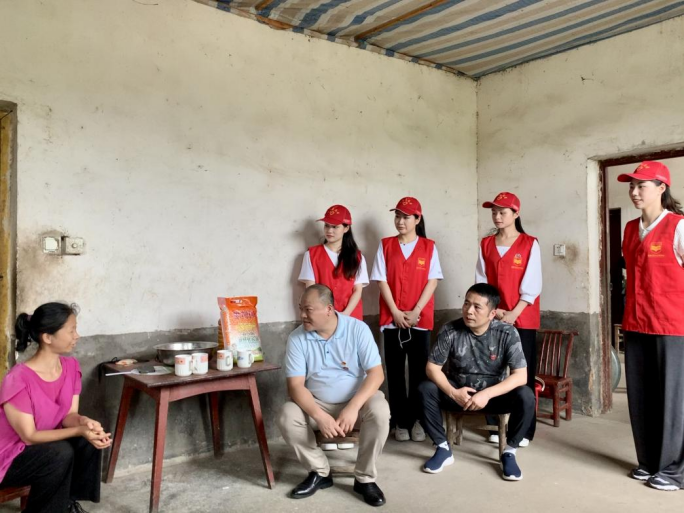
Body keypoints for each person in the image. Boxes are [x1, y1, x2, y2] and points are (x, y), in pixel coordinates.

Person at [277, 285, 389, 507]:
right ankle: (319, 471)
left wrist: (353, 407)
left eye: (308, 309)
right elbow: (295, 386)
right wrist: (319, 416)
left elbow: (376, 374)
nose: (302, 315)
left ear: (329, 309)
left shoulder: (357, 329)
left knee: (380, 410)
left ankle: (364, 478)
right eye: (301, 309)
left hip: (356, 402)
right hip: (318, 403)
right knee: (286, 415)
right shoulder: (297, 338)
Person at [0, 302, 111, 513]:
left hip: (39, 445)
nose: (77, 335)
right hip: (8, 455)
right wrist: (79, 430)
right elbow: (29, 436)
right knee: (60, 453)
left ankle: (67, 503)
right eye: (71, 330)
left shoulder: (70, 367)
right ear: (48, 337)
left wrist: (84, 422)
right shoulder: (18, 379)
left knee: (88, 439)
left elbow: (69, 415)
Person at [418, 283, 535, 481]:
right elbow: (432, 368)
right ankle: (442, 448)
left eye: (477, 307)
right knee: (425, 388)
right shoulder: (450, 330)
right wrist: (453, 392)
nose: (469, 311)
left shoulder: (507, 333)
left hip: (493, 397)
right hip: (459, 394)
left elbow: (520, 375)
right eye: (466, 303)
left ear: (492, 314)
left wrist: (486, 394)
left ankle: (509, 452)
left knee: (526, 395)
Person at [618, 160, 684, 492]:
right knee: (641, 396)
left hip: (672, 325)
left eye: (641, 185)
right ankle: (650, 461)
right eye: (631, 186)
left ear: (661, 188)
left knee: (673, 400)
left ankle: (676, 470)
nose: (634, 192)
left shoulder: (678, 226)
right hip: (636, 323)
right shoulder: (630, 229)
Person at [370, 196, 442, 443]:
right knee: (395, 373)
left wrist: (416, 311)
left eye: (406, 217)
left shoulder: (429, 247)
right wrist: (395, 312)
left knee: (420, 373)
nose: (400, 221)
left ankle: (419, 419)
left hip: (419, 320)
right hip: (392, 319)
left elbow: (432, 281)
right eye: (397, 216)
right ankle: (400, 421)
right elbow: (382, 280)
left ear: (417, 219)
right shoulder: (385, 245)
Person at [476, 191, 541, 446]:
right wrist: (496, 311)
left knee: (522, 373)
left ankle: (523, 430)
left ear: (516, 213)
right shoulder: (486, 244)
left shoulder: (529, 244)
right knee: (493, 371)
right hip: (493, 317)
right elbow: (481, 282)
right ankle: (495, 425)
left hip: (522, 318)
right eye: (494, 212)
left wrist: (513, 313)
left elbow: (533, 284)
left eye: (502, 212)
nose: (497, 216)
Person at [299, 204, 369, 321]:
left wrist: (345, 314)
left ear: (346, 228)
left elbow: (357, 290)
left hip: (351, 317)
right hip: (322, 317)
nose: (329, 230)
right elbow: (311, 290)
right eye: (326, 225)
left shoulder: (357, 257)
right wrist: (327, 315)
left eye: (335, 227)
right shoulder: (311, 255)